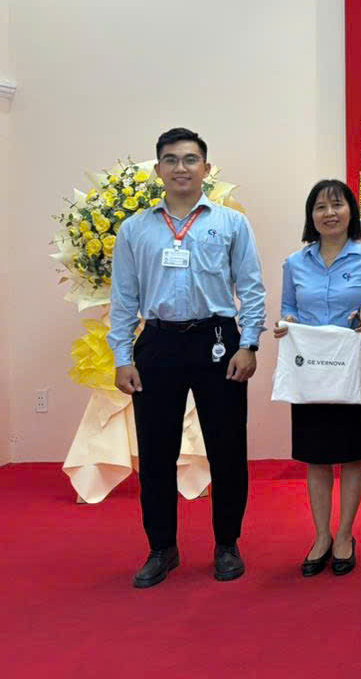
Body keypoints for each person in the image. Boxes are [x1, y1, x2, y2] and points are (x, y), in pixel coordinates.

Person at [109, 127, 266, 588]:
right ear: (158, 169)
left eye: (191, 159)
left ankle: (227, 544)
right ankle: (162, 548)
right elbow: (123, 298)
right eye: (172, 160)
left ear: (206, 168)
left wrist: (248, 344)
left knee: (227, 449)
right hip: (157, 344)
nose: (182, 167)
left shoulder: (231, 223)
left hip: (218, 342)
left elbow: (252, 288)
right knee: (156, 452)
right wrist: (122, 356)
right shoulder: (135, 229)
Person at [275, 179, 361, 578]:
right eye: (320, 207)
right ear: (311, 216)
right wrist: (286, 323)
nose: (329, 213)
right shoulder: (294, 263)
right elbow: (287, 308)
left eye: (337, 205)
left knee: (353, 450)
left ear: (351, 212)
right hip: (310, 364)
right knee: (315, 452)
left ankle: (345, 535)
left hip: (353, 360)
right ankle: (321, 535)